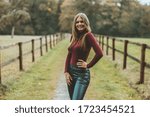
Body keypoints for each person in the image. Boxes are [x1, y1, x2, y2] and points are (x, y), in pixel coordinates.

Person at [64, 13, 103, 100]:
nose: (79, 24)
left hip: (82, 75)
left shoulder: (88, 36)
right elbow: (69, 54)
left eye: (82, 21)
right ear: (75, 24)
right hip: (71, 73)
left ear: (86, 23)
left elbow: (99, 53)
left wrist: (88, 65)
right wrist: (66, 71)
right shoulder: (74, 36)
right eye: (77, 22)